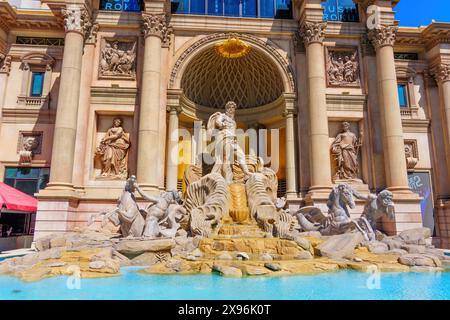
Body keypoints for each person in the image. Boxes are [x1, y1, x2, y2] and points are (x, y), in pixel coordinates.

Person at [207, 101, 252, 184]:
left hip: (233, 140)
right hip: (225, 138)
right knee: (225, 159)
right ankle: (226, 178)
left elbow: (233, 131)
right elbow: (218, 121)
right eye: (229, 107)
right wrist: (222, 124)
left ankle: (246, 173)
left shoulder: (233, 121)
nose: (231, 109)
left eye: (233, 108)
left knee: (241, 155)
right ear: (226, 109)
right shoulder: (222, 116)